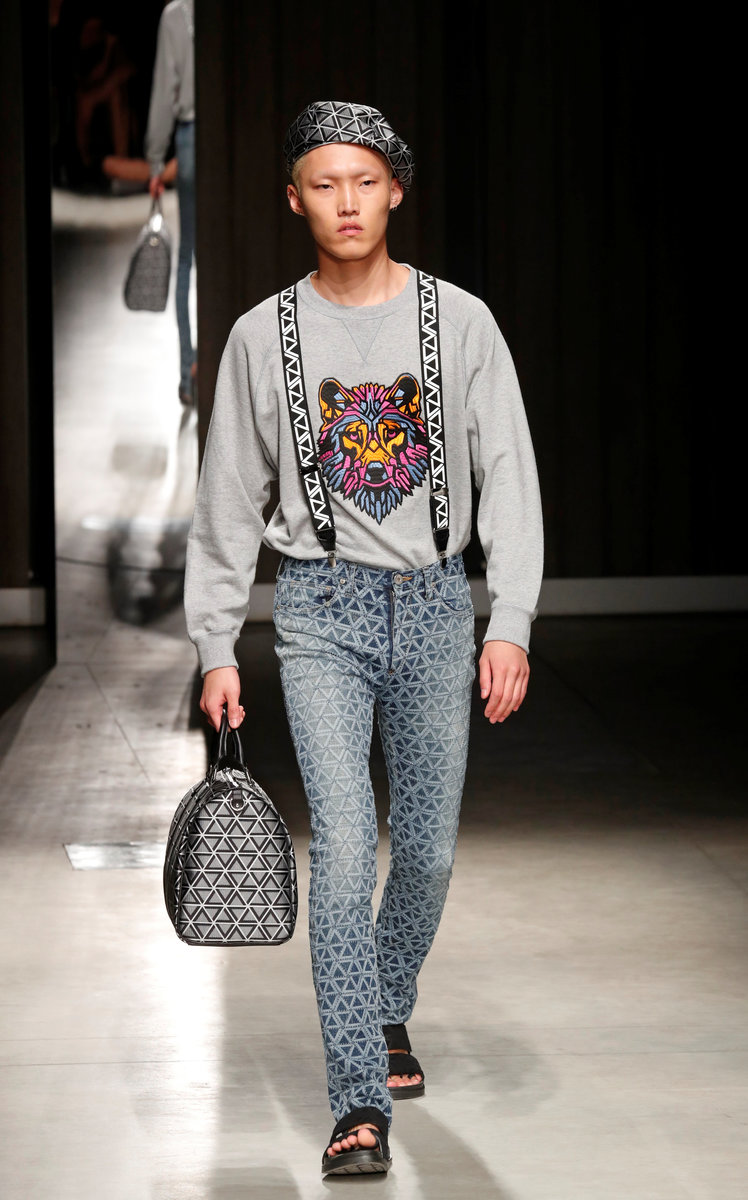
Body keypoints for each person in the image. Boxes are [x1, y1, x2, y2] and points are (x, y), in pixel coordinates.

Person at [184, 100, 543, 1177]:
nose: (347, 202)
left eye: (365, 182)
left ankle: (384, 1003)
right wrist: (214, 644)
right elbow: (227, 500)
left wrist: (511, 620)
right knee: (343, 850)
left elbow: (508, 477)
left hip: (435, 606)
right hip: (319, 611)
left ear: (395, 191)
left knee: (425, 851)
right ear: (294, 199)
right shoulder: (263, 336)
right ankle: (357, 1102)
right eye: (324, 184)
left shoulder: (460, 324)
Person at [145, 0, 196, 405]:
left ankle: (188, 374)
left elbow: (166, 91)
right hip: (234, 133)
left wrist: (155, 160)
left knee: (186, 259)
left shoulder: (176, 15)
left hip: (191, 137)